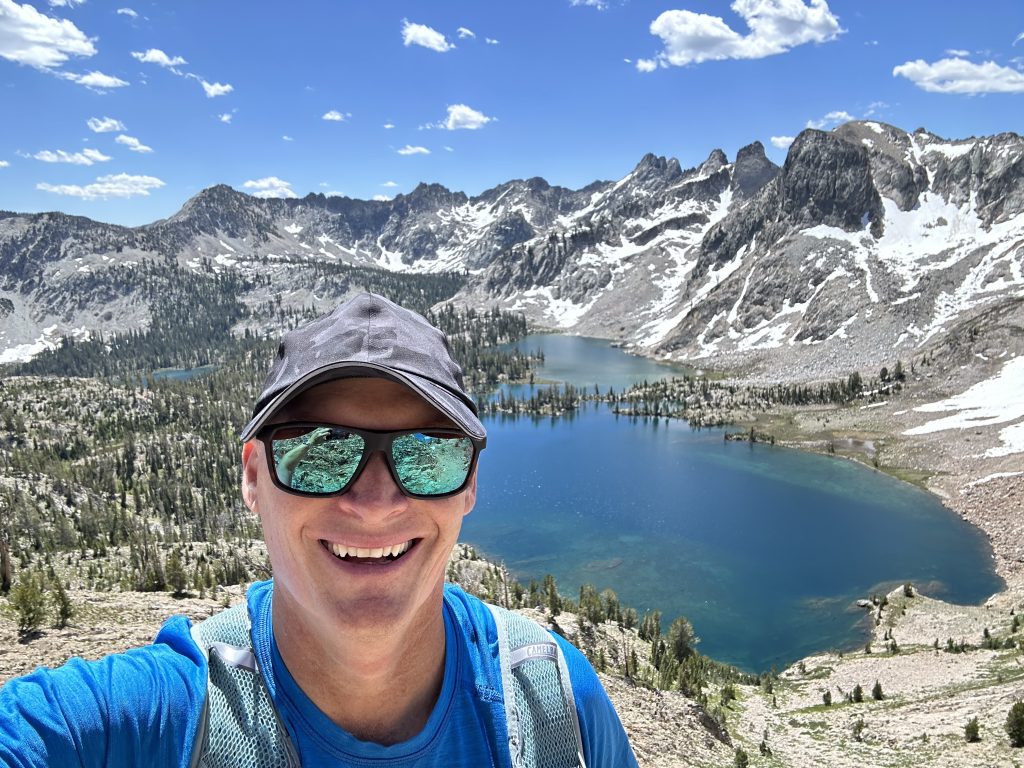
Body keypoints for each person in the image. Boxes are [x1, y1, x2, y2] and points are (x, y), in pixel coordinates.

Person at [0, 292, 639, 767]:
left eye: (428, 454)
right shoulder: (162, 718)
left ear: (469, 483)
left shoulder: (554, 705)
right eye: (322, 452)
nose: (374, 502)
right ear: (253, 476)